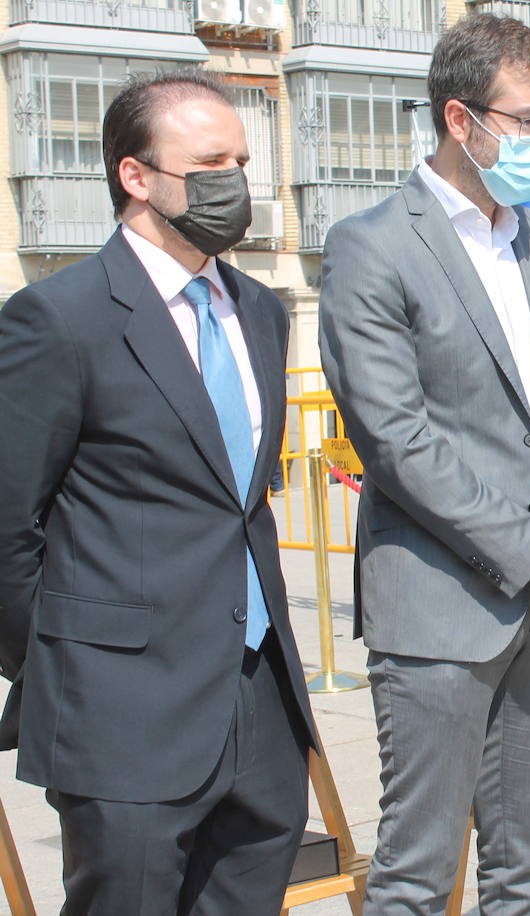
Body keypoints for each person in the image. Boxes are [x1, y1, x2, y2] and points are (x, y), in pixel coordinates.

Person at [318, 15, 530, 914]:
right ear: (462, 121)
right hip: (439, 609)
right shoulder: (372, 246)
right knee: (419, 875)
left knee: (527, 868)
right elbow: (397, 442)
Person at [0, 69, 316, 912]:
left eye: (243, 162)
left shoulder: (260, 310)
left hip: (258, 703)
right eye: (210, 164)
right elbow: (7, 524)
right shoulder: (58, 319)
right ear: (135, 176)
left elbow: (236, 496)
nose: (235, 185)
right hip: (123, 716)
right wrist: (69, 665)